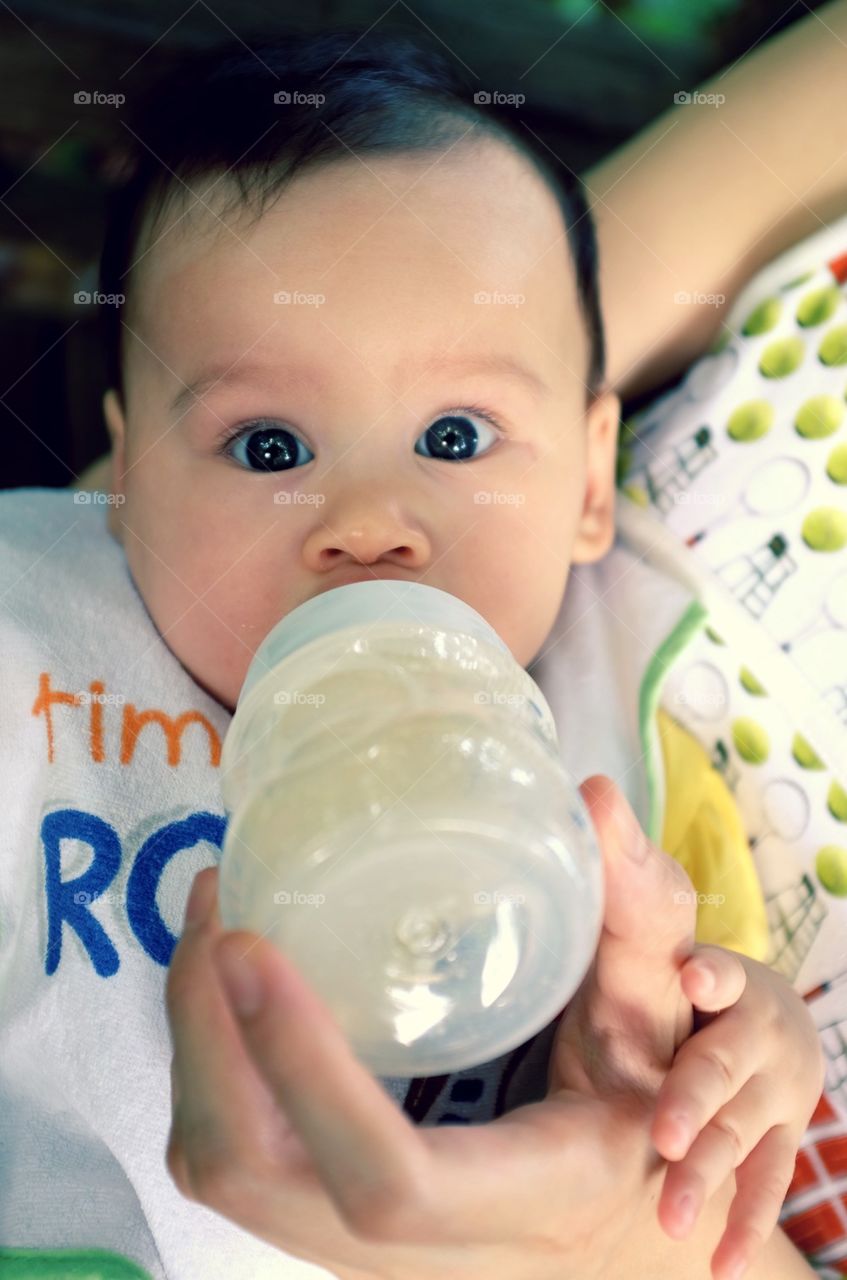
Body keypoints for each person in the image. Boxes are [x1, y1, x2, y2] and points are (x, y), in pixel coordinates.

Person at [0, 6, 841, 1279]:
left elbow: (704, 1018)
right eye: (268, 447)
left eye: (456, 438)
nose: (370, 525)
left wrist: (743, 1047)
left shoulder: (627, 750)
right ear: (124, 486)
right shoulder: (42, 643)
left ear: (587, 485)